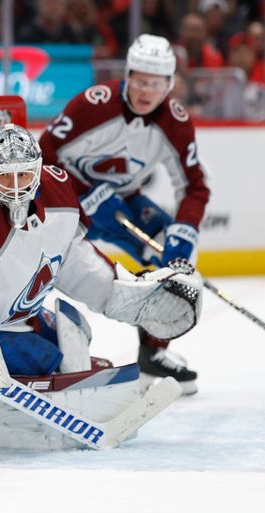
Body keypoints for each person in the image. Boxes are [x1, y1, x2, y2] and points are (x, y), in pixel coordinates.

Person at [0, 124, 202, 453]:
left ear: (38, 169)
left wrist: (131, 297)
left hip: (17, 318)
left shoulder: (57, 191)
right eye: (5, 177)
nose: (17, 188)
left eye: (24, 176)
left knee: (75, 336)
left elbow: (73, 259)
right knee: (49, 358)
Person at [38, 34, 210, 395]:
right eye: (140, 80)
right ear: (127, 76)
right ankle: (31, 334)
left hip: (122, 199)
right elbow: (44, 154)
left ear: (169, 84)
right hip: (67, 195)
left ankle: (153, 353)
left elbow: (196, 187)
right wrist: (83, 194)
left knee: (170, 251)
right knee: (43, 258)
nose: (147, 91)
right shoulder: (93, 104)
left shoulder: (176, 123)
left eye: (156, 83)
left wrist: (181, 234)